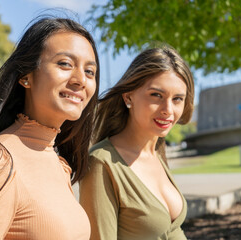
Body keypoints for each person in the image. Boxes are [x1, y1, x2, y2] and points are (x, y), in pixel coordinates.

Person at [0, 16, 100, 239]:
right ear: (25, 76)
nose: (81, 79)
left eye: (90, 71)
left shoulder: (59, 164)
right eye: (65, 64)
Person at [79, 47, 194, 240]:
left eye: (177, 99)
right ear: (128, 96)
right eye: (156, 95)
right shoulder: (101, 162)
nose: (168, 110)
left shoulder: (156, 151)